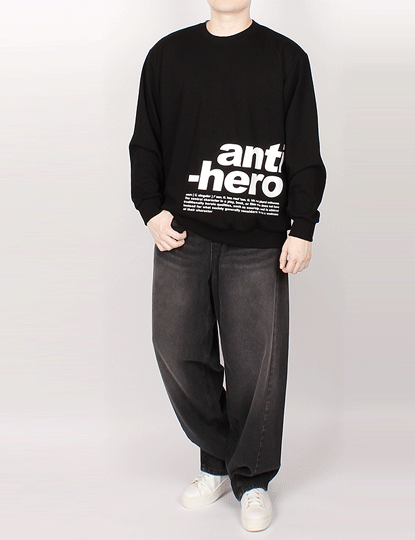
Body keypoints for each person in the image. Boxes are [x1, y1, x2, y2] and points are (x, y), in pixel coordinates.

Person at [129, 0, 326, 532]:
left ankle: (252, 478)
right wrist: (150, 210)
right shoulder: (168, 55)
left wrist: (303, 226)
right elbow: (145, 141)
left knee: (256, 368)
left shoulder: (286, 58)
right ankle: (220, 459)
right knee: (174, 349)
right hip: (182, 236)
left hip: (258, 242)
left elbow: (305, 149)